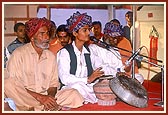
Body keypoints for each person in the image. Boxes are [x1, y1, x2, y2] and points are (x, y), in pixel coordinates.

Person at [4, 17, 84, 111]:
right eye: (42, 34)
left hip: (45, 97)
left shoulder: (50, 56)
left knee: (74, 94)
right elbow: (15, 84)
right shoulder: (18, 54)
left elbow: (53, 84)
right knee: (8, 84)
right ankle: (43, 108)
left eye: (47, 33)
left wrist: (49, 98)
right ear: (32, 37)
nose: (47, 37)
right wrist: (40, 98)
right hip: (27, 97)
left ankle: (38, 109)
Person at [57, 11, 105, 104]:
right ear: (75, 33)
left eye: (89, 30)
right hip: (71, 89)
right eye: (85, 30)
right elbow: (64, 78)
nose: (88, 33)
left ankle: (92, 98)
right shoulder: (64, 52)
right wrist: (87, 79)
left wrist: (117, 73)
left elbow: (101, 66)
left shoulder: (89, 51)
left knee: (103, 85)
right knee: (78, 87)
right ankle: (93, 99)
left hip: (88, 87)